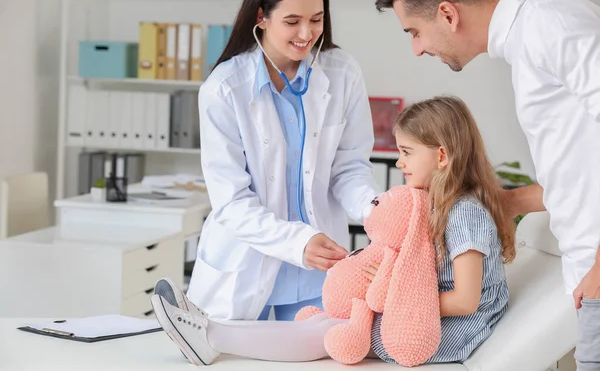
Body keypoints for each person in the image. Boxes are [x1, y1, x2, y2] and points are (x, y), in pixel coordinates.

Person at [149, 96, 515, 367]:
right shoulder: (429, 204)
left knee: (328, 331)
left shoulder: (465, 213)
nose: (399, 162)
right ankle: (208, 330)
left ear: (441, 157)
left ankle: (211, 336)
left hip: (449, 329)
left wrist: (394, 296)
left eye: (406, 152)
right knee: (329, 318)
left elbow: (467, 300)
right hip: (421, 313)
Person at [374, 0, 600, 368]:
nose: (416, 49)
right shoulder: (529, 40)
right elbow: (579, 174)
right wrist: (504, 201)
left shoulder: (550, 23)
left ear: (447, 14)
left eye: (414, 32)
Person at [165, 0, 381, 323]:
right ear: (261, 17)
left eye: (316, 19)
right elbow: (232, 202)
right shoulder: (224, 90)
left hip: (319, 277)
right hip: (245, 268)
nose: (306, 34)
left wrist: (377, 212)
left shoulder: (342, 73)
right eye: (292, 21)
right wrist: (298, 243)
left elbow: (350, 168)